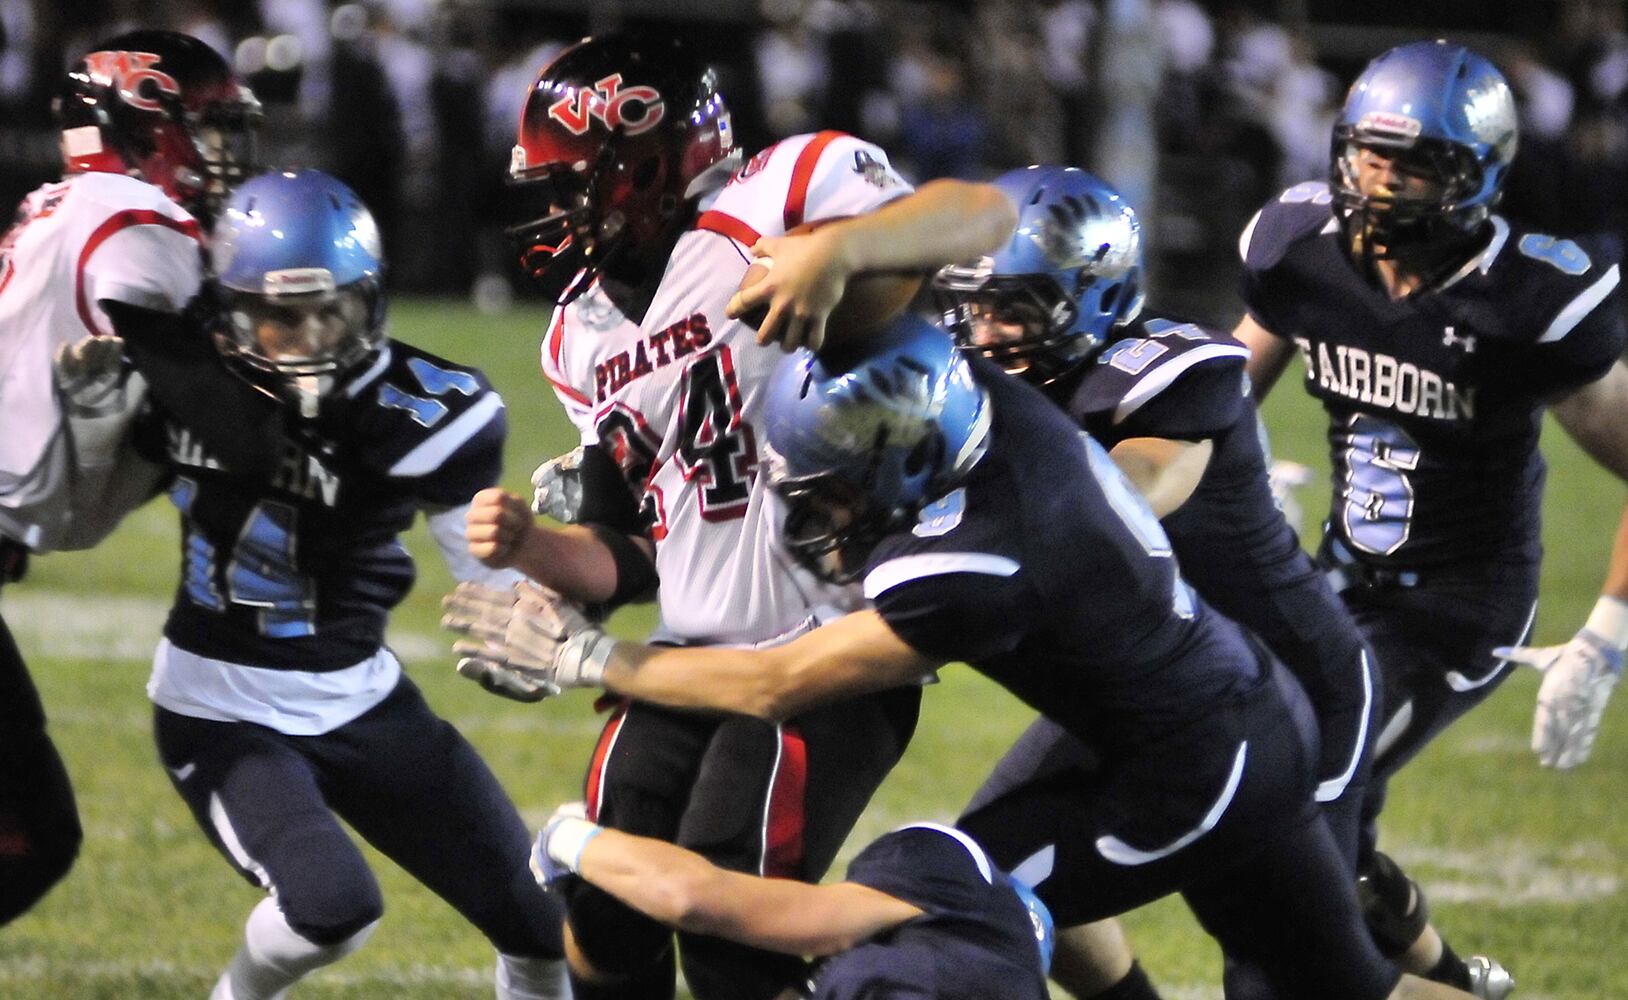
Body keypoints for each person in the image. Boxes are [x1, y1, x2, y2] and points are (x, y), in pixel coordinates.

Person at [444, 315, 1489, 1000]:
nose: (814, 514)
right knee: (993, 880)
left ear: (900, 466)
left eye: (833, 490)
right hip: (1161, 713)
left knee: (949, 907)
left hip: (1203, 762)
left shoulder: (977, 559)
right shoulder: (980, 404)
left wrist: (589, 659)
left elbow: (776, 680)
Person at [463, 32, 1016, 1000]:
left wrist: (841, 247)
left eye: (573, 181)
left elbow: (978, 214)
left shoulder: (780, 190)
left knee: (733, 916)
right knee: (604, 898)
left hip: (825, 649)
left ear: (645, 164)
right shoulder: (580, 334)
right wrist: (533, 553)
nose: (554, 207)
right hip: (690, 652)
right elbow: (632, 549)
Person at [932, 163, 1384, 1000]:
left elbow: (1126, 497)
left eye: (1014, 309)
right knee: (985, 876)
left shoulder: (1171, 368)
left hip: (1286, 689)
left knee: (1303, 983)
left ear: (1095, 297)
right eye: (975, 307)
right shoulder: (980, 392)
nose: (985, 335)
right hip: (1145, 695)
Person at [1234, 39, 1628, 998]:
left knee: (1298, 803)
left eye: (1414, 166)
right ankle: (1453, 984)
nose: (1382, 183)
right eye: (1371, 155)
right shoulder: (1300, 249)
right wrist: (1235, 471)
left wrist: (1607, 635)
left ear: (1477, 176)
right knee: (1322, 820)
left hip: (1460, 607)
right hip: (1333, 583)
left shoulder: (1531, 298)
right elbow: (1216, 392)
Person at [138, 169, 570, 1000]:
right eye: (279, 317)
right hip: (222, 706)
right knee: (329, 908)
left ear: (367, 303)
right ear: (231, 316)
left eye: (326, 312)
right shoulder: (178, 384)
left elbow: (482, 568)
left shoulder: (432, 411)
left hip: (362, 697)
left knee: (541, 927)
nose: (305, 339)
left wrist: (524, 625)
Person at [0, 29, 273, 926]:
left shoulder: (65, 204)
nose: (224, 154)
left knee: (25, 835)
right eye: (210, 127)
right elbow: (233, 431)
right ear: (148, 126)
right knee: (25, 836)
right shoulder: (131, 214)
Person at [530, 806, 1054, 1000]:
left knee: (616, 906)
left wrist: (569, 839)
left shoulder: (946, 879)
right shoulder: (974, 951)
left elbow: (694, 900)